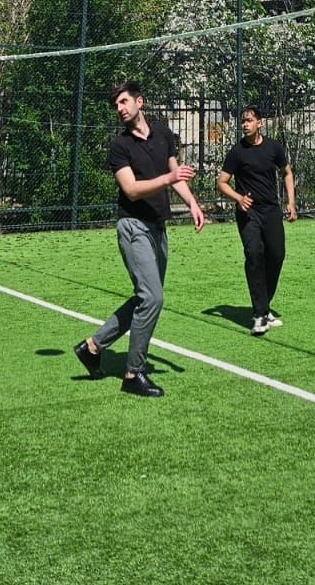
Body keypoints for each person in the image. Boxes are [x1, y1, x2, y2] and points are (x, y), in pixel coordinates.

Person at [73, 81, 204, 396]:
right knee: (152, 298)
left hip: (158, 227)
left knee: (145, 297)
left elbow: (175, 173)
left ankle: (92, 347)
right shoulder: (120, 146)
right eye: (116, 105)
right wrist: (168, 178)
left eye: (123, 101)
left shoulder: (163, 135)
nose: (119, 109)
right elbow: (131, 189)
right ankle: (133, 374)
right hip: (133, 226)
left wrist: (192, 202)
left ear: (139, 102)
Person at [217, 106, 297, 336]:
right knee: (254, 254)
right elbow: (221, 182)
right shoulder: (237, 152)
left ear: (259, 123)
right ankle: (260, 315)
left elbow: (287, 173)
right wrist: (238, 198)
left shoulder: (274, 147)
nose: (245, 124)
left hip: (271, 210)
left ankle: (264, 304)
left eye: (249, 120)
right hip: (248, 212)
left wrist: (291, 203)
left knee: (276, 255)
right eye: (243, 121)